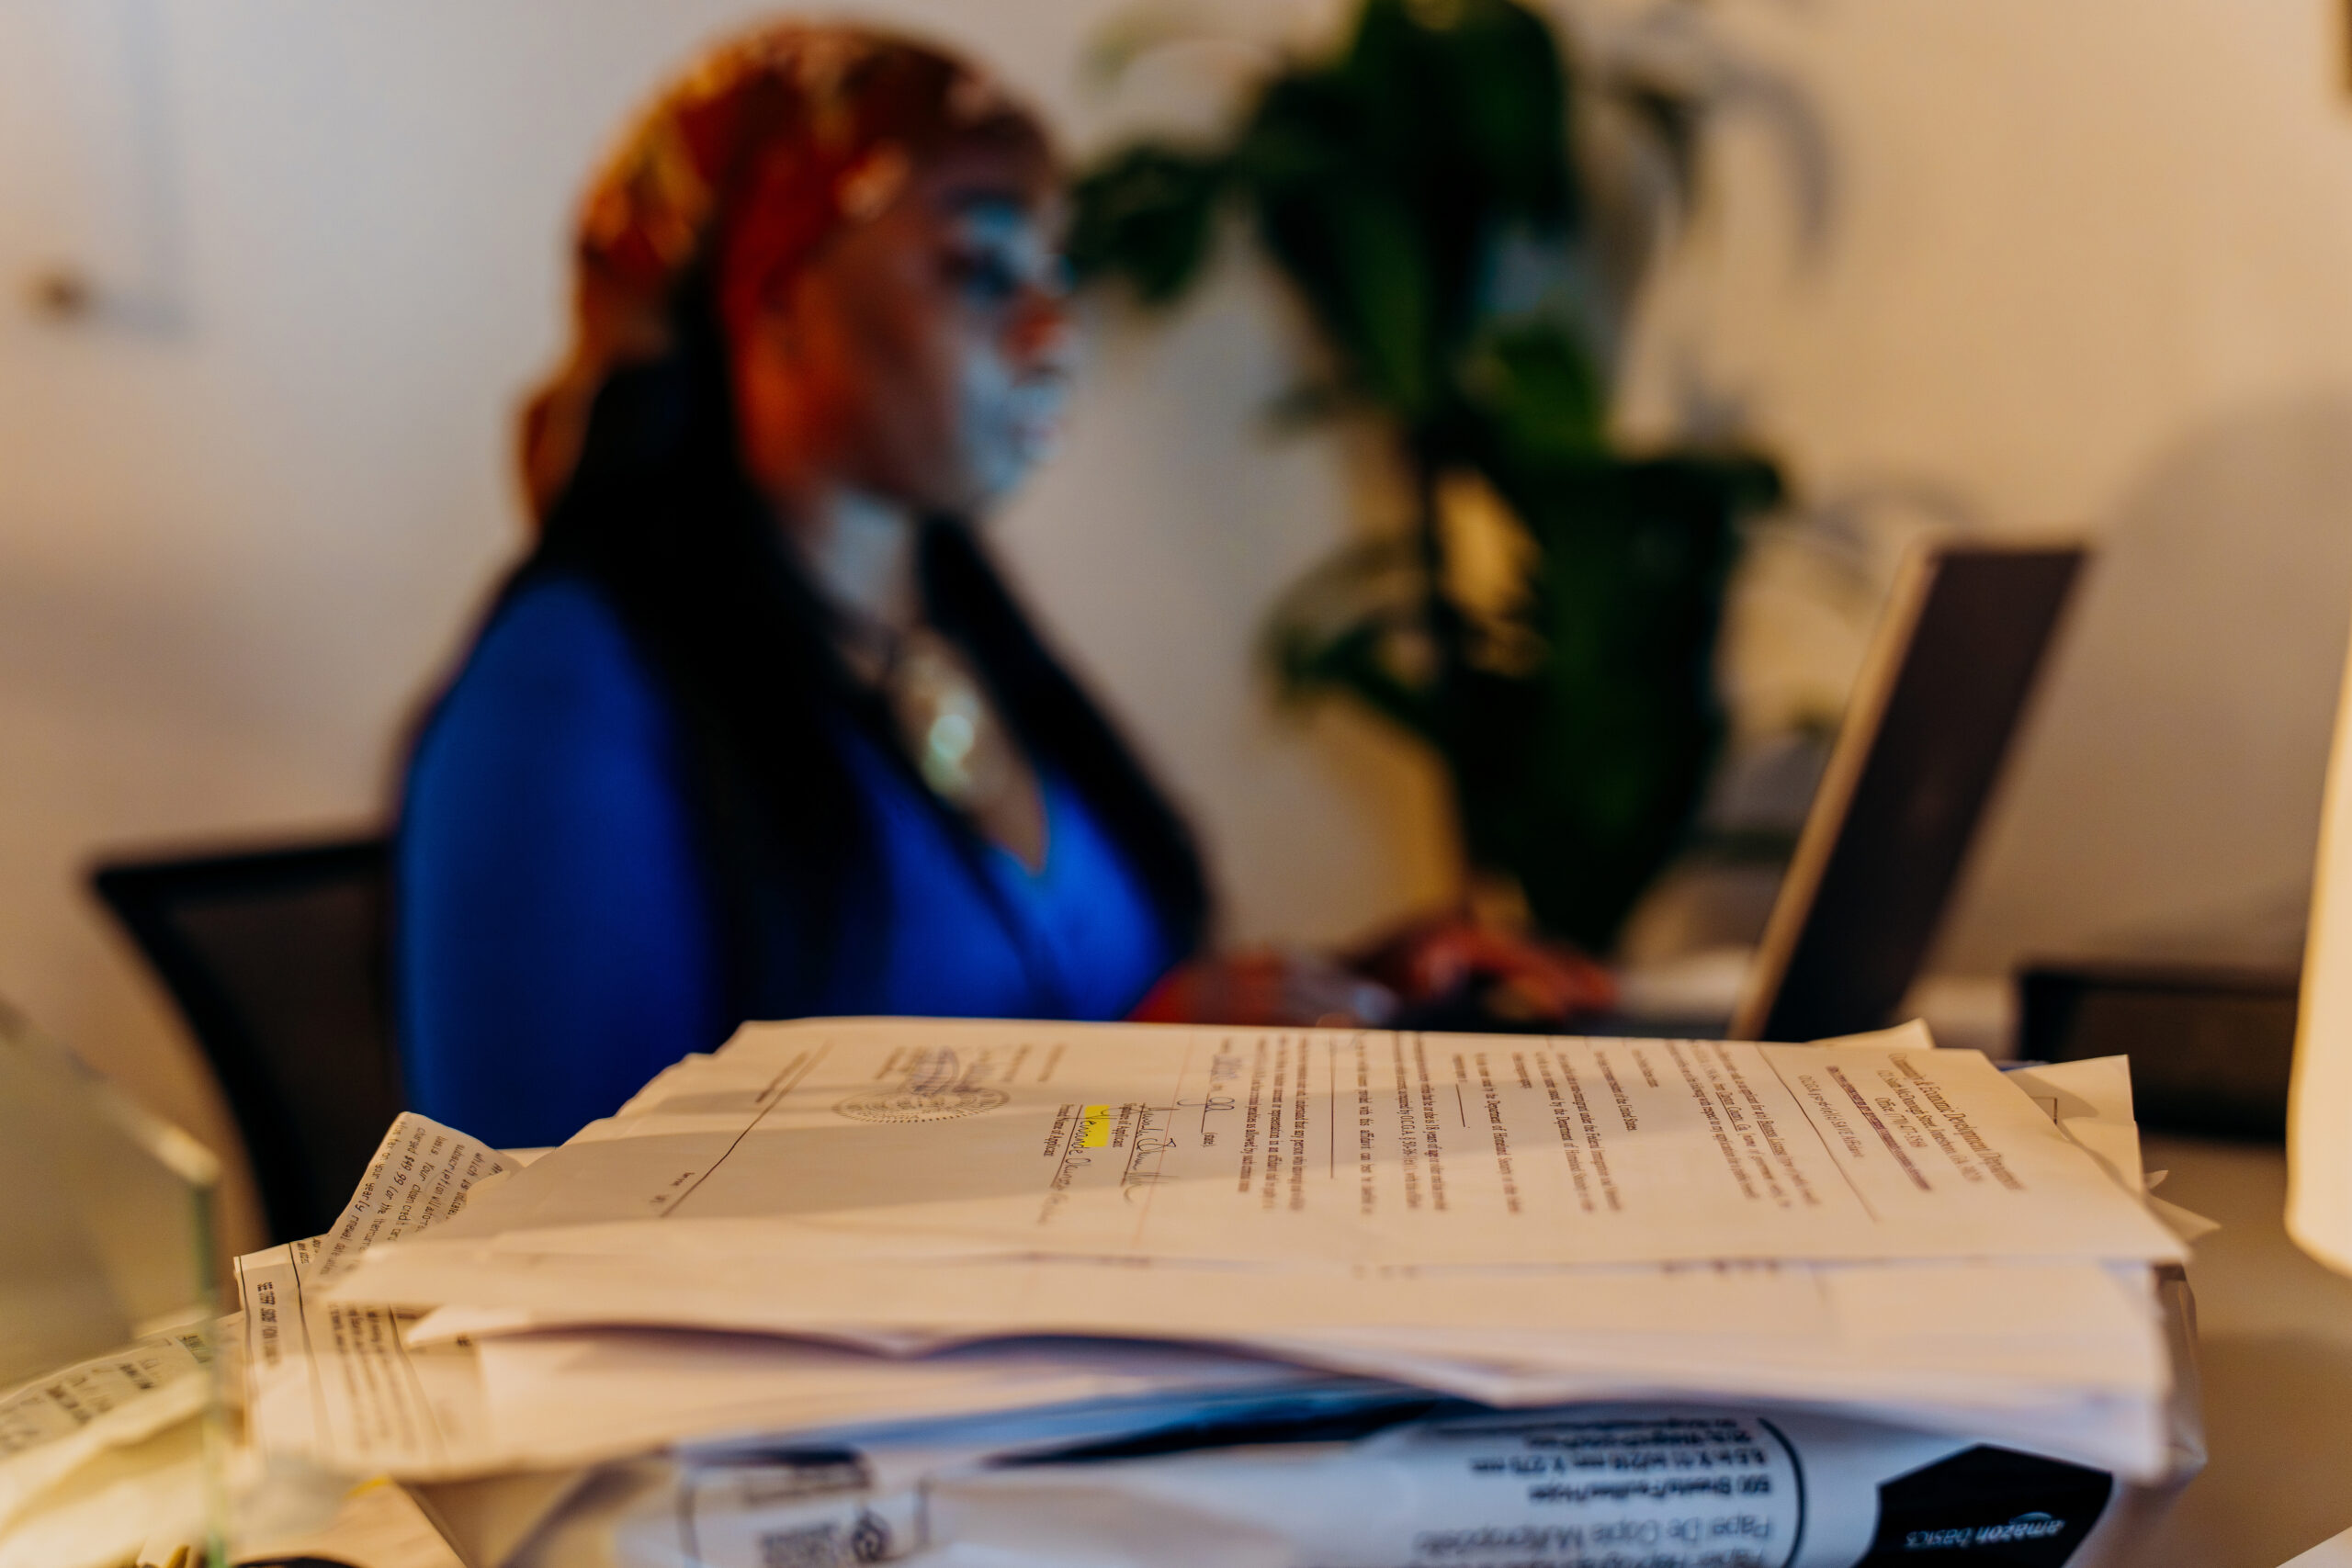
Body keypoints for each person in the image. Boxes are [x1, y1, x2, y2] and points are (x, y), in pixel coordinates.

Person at [397, 22, 1609, 1147]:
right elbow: (556, 1226)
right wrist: (1120, 1080)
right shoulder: (567, 698)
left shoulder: (949, 635)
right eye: (978, 271)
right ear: (774, 310)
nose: (1053, 330)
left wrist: (1348, 1002)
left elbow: (1079, 1021)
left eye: (1054, 270)